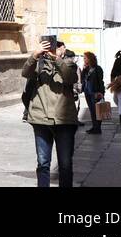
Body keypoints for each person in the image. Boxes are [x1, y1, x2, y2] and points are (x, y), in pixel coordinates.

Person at [24, 37, 80, 189]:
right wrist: (35, 55)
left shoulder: (70, 65)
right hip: (41, 119)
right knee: (43, 163)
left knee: (65, 164)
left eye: (59, 45)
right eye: (51, 45)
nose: (55, 48)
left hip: (64, 121)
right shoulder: (39, 64)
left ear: (63, 48)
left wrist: (56, 59)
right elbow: (25, 72)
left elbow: (70, 78)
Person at [80, 51, 105, 135]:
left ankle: (97, 128)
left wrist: (101, 92)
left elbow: (100, 81)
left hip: (95, 92)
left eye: (85, 58)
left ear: (90, 59)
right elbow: (82, 79)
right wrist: (83, 69)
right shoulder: (87, 69)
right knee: (92, 110)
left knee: (97, 111)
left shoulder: (98, 69)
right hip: (88, 92)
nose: (84, 59)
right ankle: (94, 127)